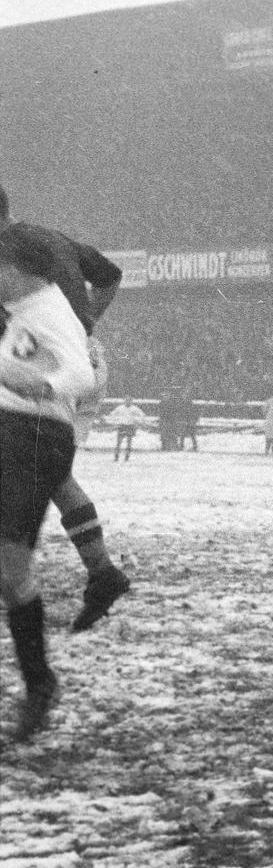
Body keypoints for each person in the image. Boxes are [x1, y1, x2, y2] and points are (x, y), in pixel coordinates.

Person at [0, 186, 132, 630]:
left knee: (34, 464)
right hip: (80, 356)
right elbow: (111, 274)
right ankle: (103, 573)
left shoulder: (10, 258)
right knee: (54, 474)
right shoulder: (48, 239)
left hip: (47, 367)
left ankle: (95, 574)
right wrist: (85, 321)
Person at [0, 229, 97, 740]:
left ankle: (40, 684)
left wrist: (44, 385)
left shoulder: (52, 312)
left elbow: (80, 373)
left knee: (11, 559)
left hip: (33, 437)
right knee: (8, 567)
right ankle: (38, 681)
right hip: (9, 431)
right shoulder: (21, 310)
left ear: (16, 269)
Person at [106, 397, 146, 462]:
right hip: (122, 426)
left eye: (129, 401)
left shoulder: (134, 409)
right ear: (124, 401)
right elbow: (112, 414)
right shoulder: (120, 408)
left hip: (130, 426)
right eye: (126, 401)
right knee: (119, 442)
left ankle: (127, 457)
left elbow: (142, 415)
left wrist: (136, 420)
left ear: (131, 401)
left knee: (129, 442)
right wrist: (116, 421)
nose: (128, 402)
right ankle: (116, 456)